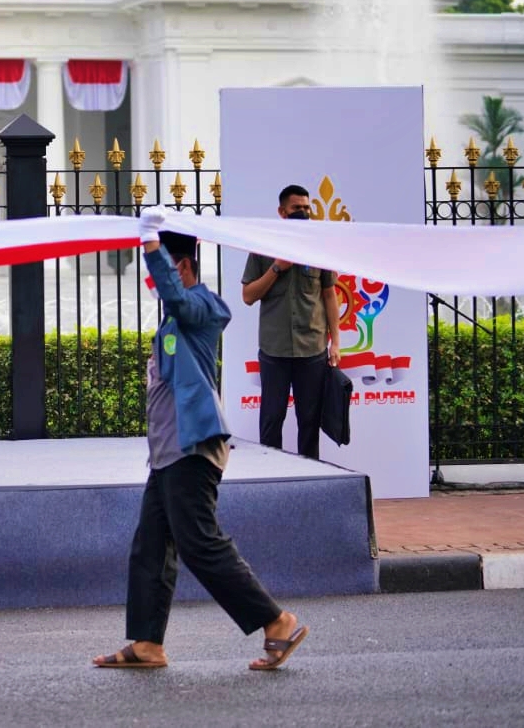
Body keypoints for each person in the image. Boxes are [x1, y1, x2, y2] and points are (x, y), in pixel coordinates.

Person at [93, 210, 308, 672]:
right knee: (151, 545)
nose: (157, 282)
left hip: (193, 451)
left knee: (199, 543)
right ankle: (148, 644)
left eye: (164, 269)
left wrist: (151, 247)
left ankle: (277, 621)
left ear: (183, 267)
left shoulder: (204, 307)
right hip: (168, 455)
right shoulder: (172, 325)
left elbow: (175, 295)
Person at [240, 184, 340, 459]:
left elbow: (330, 295)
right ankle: (272, 479)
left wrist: (336, 343)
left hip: (313, 349)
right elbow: (248, 295)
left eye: (307, 208)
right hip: (275, 351)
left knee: (309, 421)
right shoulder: (263, 247)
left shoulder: (320, 247)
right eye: (297, 208)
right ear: (282, 212)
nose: (303, 213)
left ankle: (307, 478)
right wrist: (277, 267)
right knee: (272, 420)